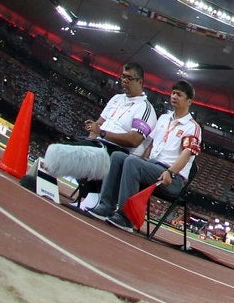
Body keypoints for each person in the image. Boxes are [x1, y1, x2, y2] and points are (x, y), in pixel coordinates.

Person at [20, 62, 156, 203]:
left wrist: (102, 134)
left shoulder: (145, 109)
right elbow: (99, 123)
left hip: (116, 152)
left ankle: (87, 195)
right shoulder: (117, 99)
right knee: (64, 145)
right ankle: (79, 192)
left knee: (60, 151)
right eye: (123, 76)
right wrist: (92, 136)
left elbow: (135, 140)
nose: (124, 80)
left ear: (140, 81)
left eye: (129, 78)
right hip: (99, 143)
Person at [87, 79, 201, 231]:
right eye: (173, 93)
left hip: (172, 178)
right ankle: (105, 205)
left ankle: (126, 217)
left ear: (189, 101)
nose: (174, 96)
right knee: (118, 157)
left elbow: (187, 154)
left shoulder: (192, 127)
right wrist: (140, 159)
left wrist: (171, 172)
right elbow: (151, 145)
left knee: (132, 163)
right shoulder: (164, 118)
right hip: (152, 166)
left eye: (179, 94)